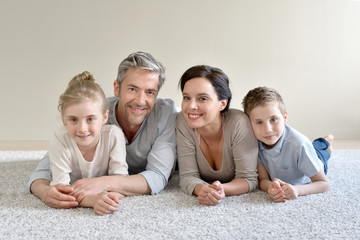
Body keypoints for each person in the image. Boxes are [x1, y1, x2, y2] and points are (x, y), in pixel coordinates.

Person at [27, 52, 177, 209]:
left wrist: (102, 183)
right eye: (133, 89)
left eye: (150, 92)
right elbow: (46, 167)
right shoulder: (93, 113)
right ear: (117, 88)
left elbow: (158, 176)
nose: (140, 101)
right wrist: (45, 192)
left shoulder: (166, 113)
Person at [176, 65, 258, 206]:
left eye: (202, 99)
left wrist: (218, 190)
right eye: (186, 97)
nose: (191, 106)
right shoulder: (183, 121)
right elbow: (187, 176)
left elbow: (248, 179)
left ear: (222, 103)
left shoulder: (238, 123)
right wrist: (202, 189)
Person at [48, 71, 128, 215]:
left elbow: (121, 182)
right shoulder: (60, 137)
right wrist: (93, 200)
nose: (82, 129)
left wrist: (106, 198)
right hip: (81, 191)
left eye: (90, 119)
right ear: (63, 119)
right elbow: (61, 191)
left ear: (104, 117)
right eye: (73, 120)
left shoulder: (113, 135)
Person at [242, 86, 333, 202]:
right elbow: (263, 179)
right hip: (296, 158)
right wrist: (270, 186)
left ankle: (327, 141)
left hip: (312, 162)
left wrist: (297, 190)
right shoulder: (256, 143)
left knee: (320, 151)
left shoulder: (300, 145)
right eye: (259, 122)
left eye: (273, 119)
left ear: (284, 118)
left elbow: (324, 184)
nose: (268, 129)